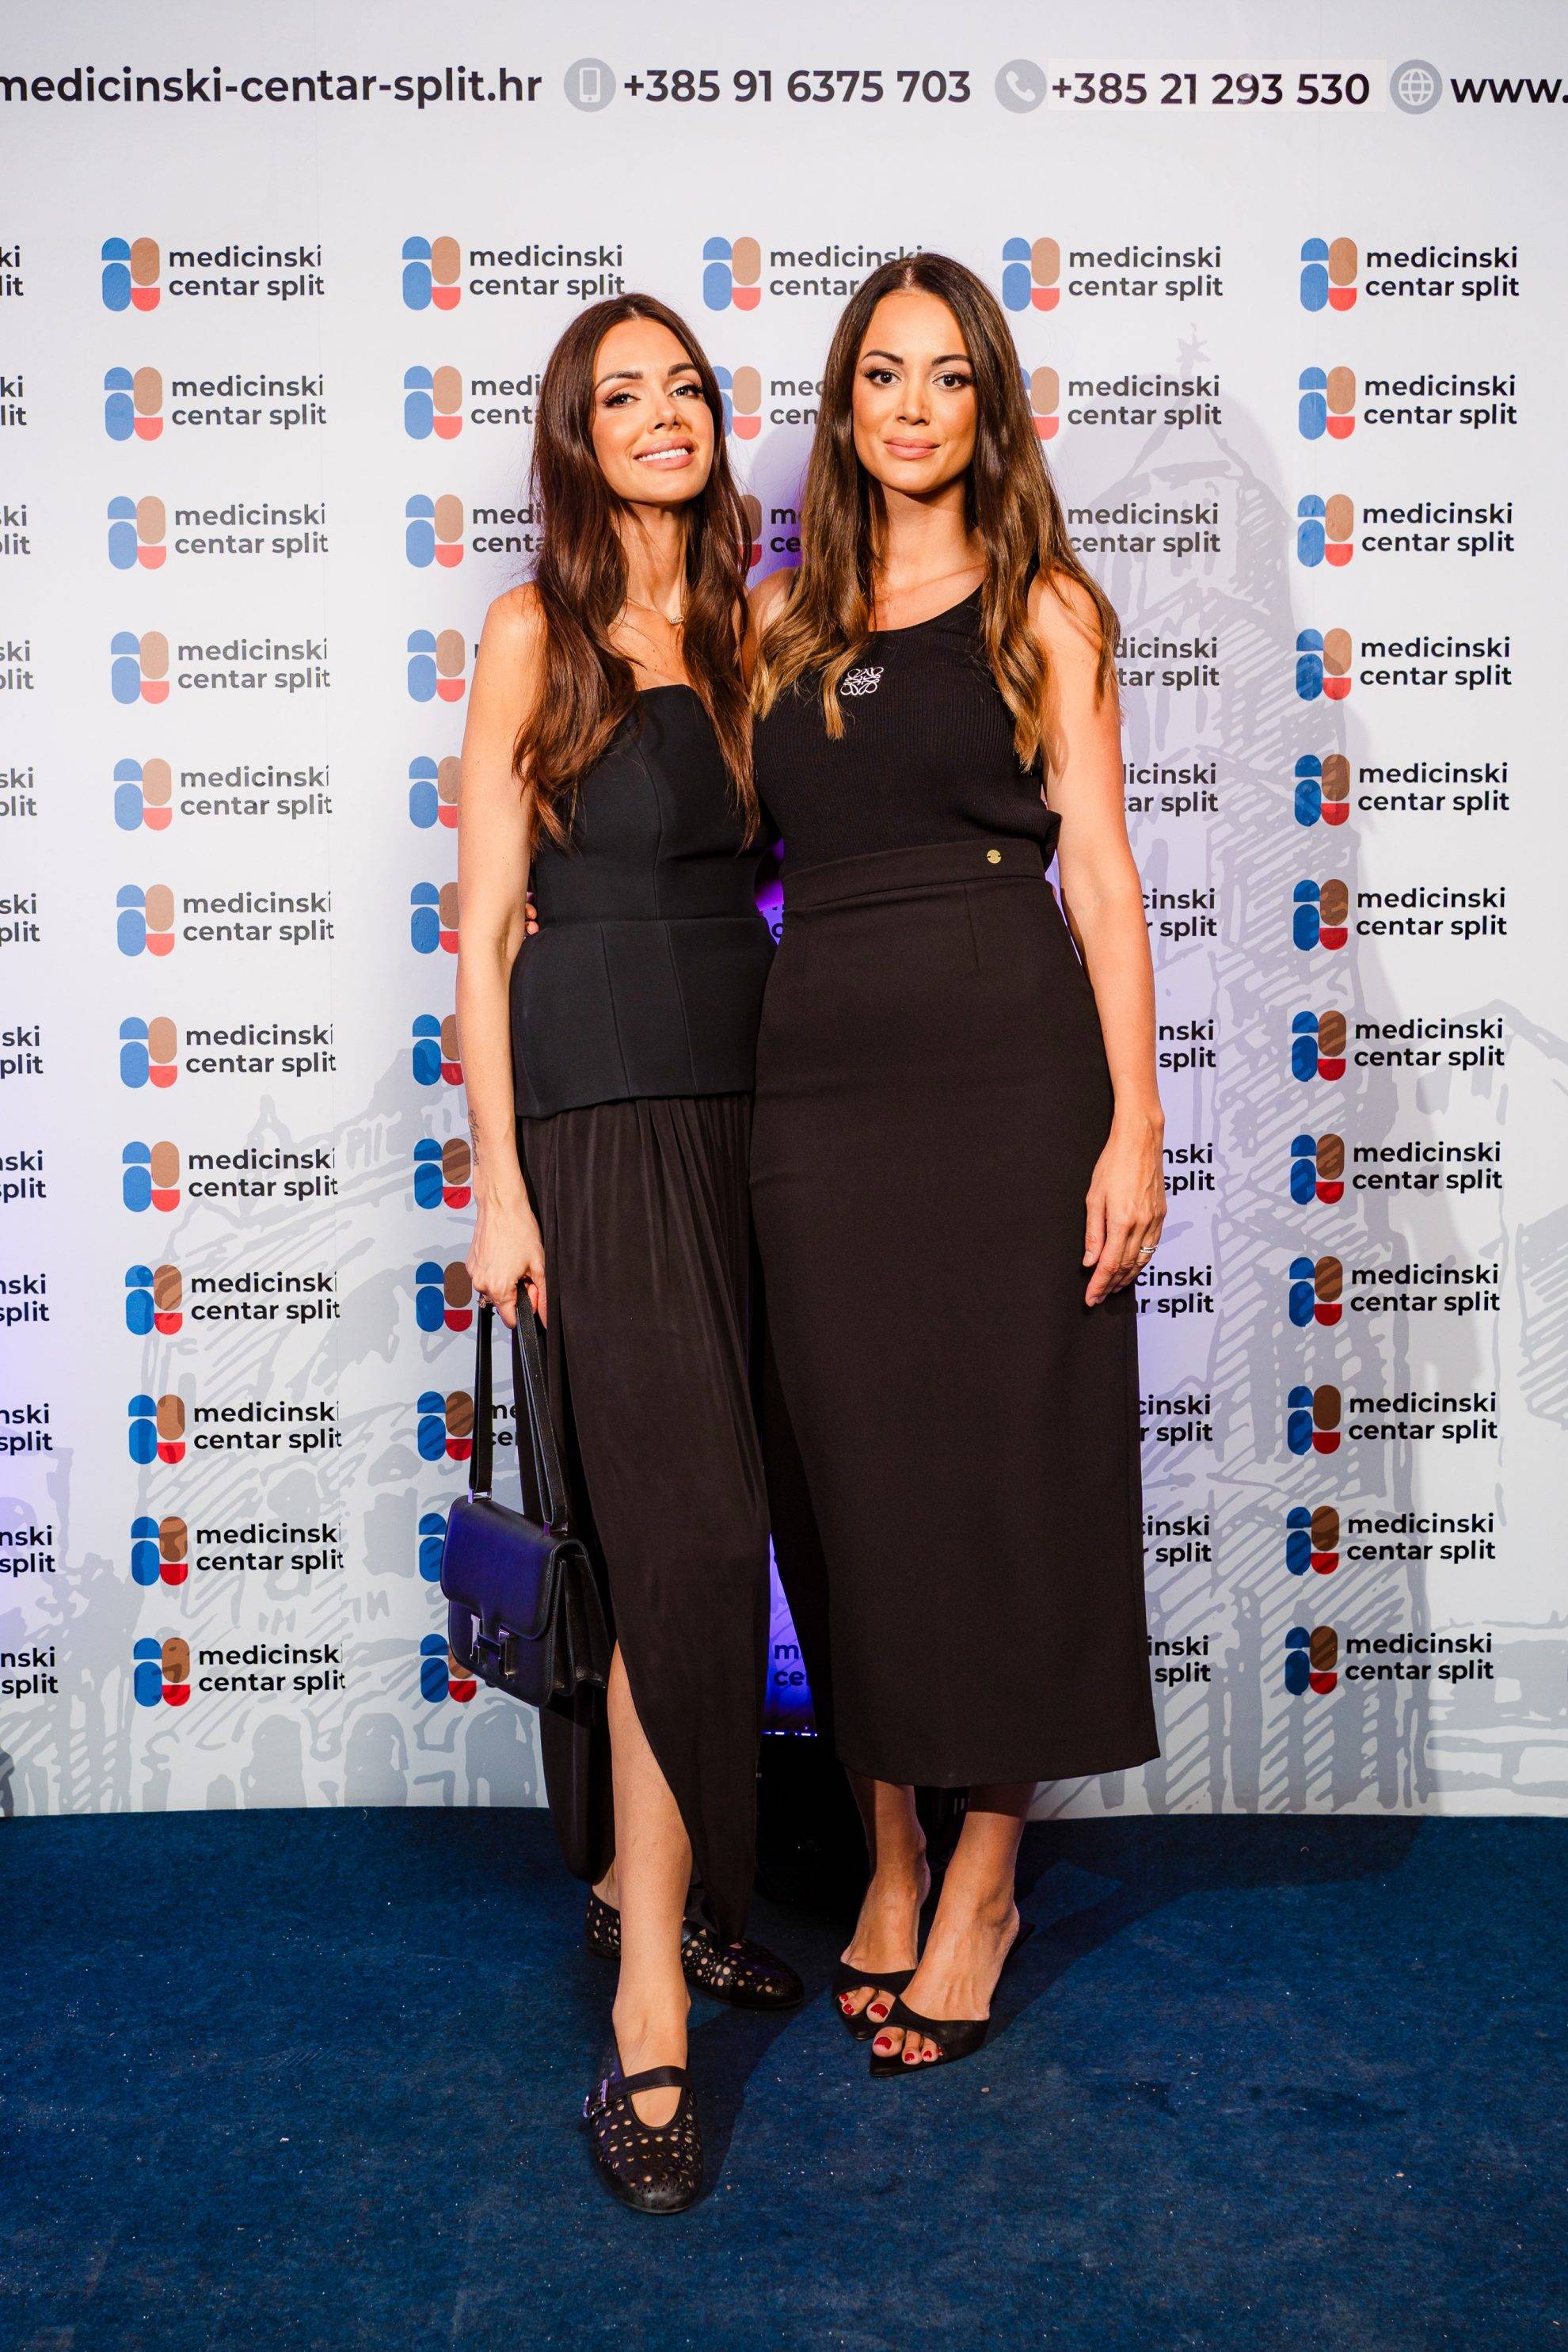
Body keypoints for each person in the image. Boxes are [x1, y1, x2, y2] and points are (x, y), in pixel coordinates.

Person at [748, 253, 1163, 2076]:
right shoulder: (778, 621)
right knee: (844, 1476)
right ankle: (892, 1853)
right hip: (815, 1089)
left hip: (1013, 1072)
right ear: (845, 406)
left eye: (947, 376)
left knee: (1011, 1469)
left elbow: (1105, 877)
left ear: (990, 406)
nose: (912, 407)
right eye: (881, 374)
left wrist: (1137, 1121)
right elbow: (703, 834)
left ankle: (985, 1871)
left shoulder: (1045, 605)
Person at [456, 293, 801, 2214]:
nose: (662, 415)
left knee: (717, 1528)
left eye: (684, 389)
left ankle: (639, 1881)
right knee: (680, 1541)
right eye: (621, 396)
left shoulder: (760, 629)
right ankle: (650, 2004)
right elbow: (482, 927)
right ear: (575, 440)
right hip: (597, 1122)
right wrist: (499, 1183)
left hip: (764, 1113)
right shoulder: (535, 632)